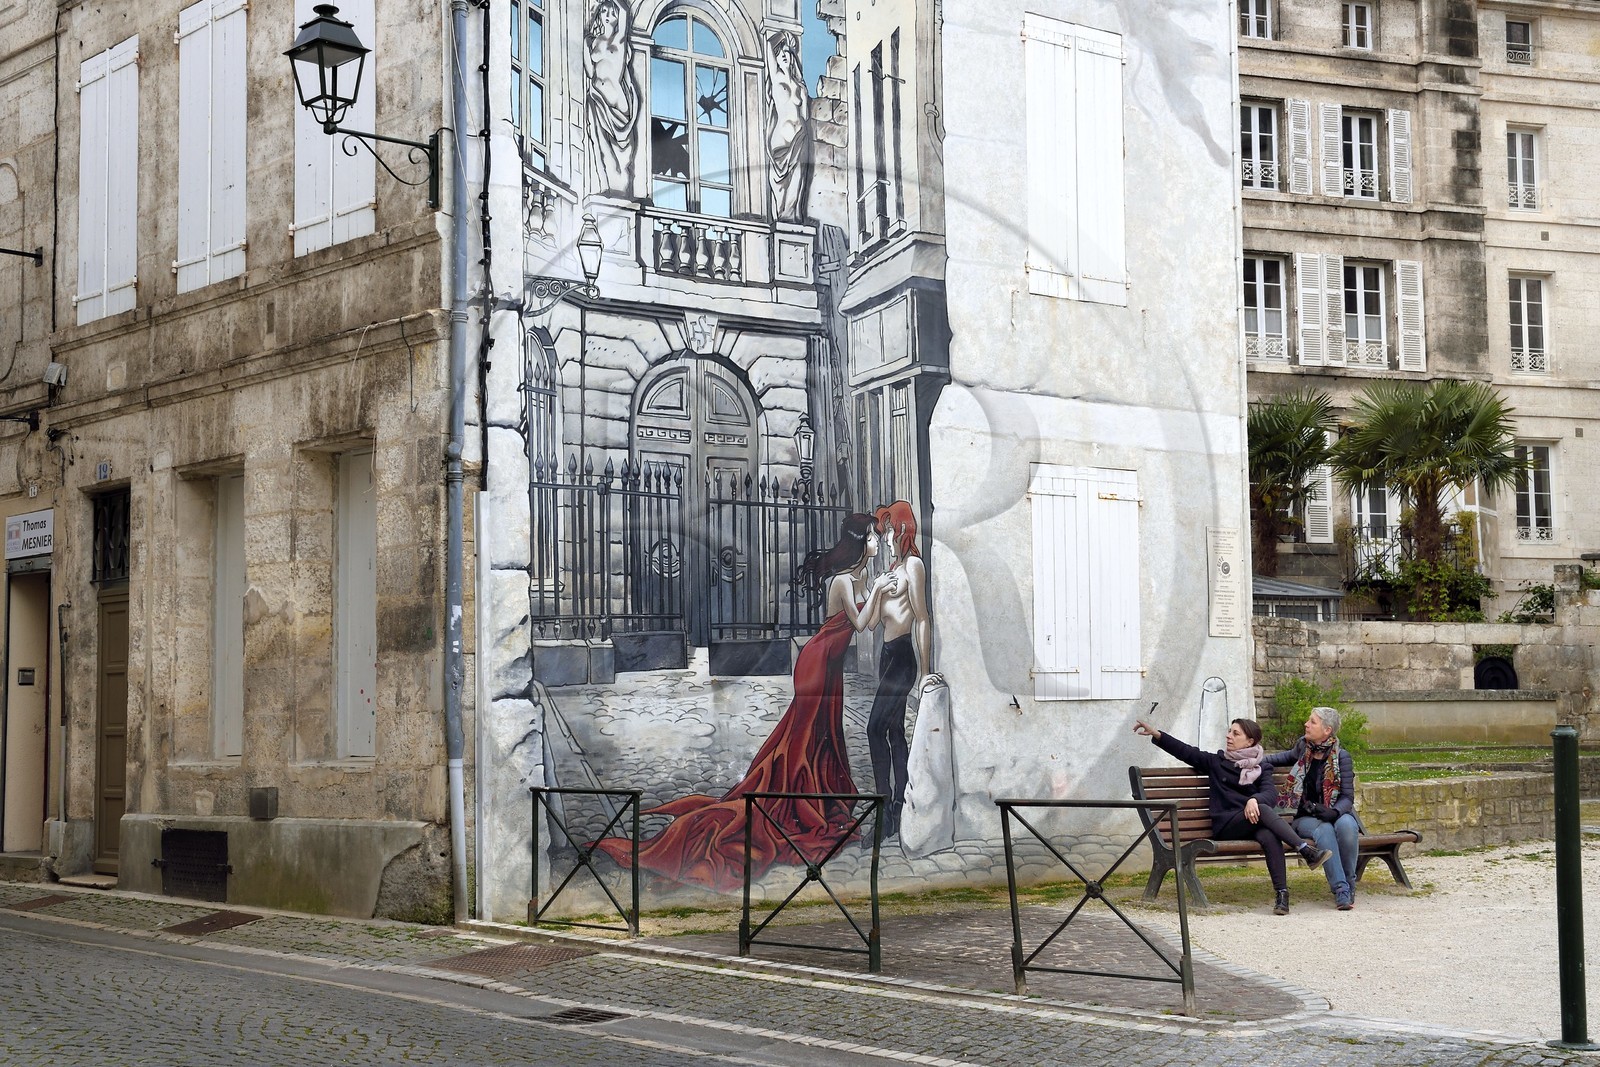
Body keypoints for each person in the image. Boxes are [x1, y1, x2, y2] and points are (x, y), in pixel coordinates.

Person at [592, 513, 898, 892]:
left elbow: (866, 618)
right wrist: (882, 590)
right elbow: (864, 622)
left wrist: (880, 589)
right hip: (817, 663)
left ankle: (817, 792)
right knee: (801, 736)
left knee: (822, 732)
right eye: (871, 536)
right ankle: (796, 798)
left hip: (831, 664)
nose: (876, 540)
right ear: (859, 541)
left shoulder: (860, 577)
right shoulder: (841, 581)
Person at [1133, 716, 1332, 915]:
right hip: (1226, 824)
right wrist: (1158, 735)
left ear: (1250, 741)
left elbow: (1270, 794)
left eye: (1235, 733)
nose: (1228, 736)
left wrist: (1253, 799)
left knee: (1269, 835)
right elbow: (1186, 751)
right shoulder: (1216, 762)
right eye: (1229, 731)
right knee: (1263, 811)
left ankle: (1282, 895)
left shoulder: (1261, 766)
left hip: (1252, 822)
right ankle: (1305, 850)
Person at [863, 501, 937, 839]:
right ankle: (897, 809)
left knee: (874, 728)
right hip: (886, 654)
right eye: (884, 532)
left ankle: (884, 807)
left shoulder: (914, 567)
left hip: (904, 657)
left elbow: (922, 618)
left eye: (890, 531)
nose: (887, 537)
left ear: (903, 530)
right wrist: (878, 589)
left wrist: (924, 672)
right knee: (893, 732)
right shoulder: (893, 570)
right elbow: (874, 622)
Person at [1266, 706, 1360, 911]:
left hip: (1335, 812)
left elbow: (1347, 797)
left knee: (1347, 826)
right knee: (1324, 829)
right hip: (1306, 817)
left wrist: (1334, 812)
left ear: (1327, 730)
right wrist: (1251, 759)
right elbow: (1280, 758)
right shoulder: (1303, 748)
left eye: (1312, 722)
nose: (1306, 725)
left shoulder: (1342, 757)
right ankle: (1341, 889)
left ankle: (1349, 883)